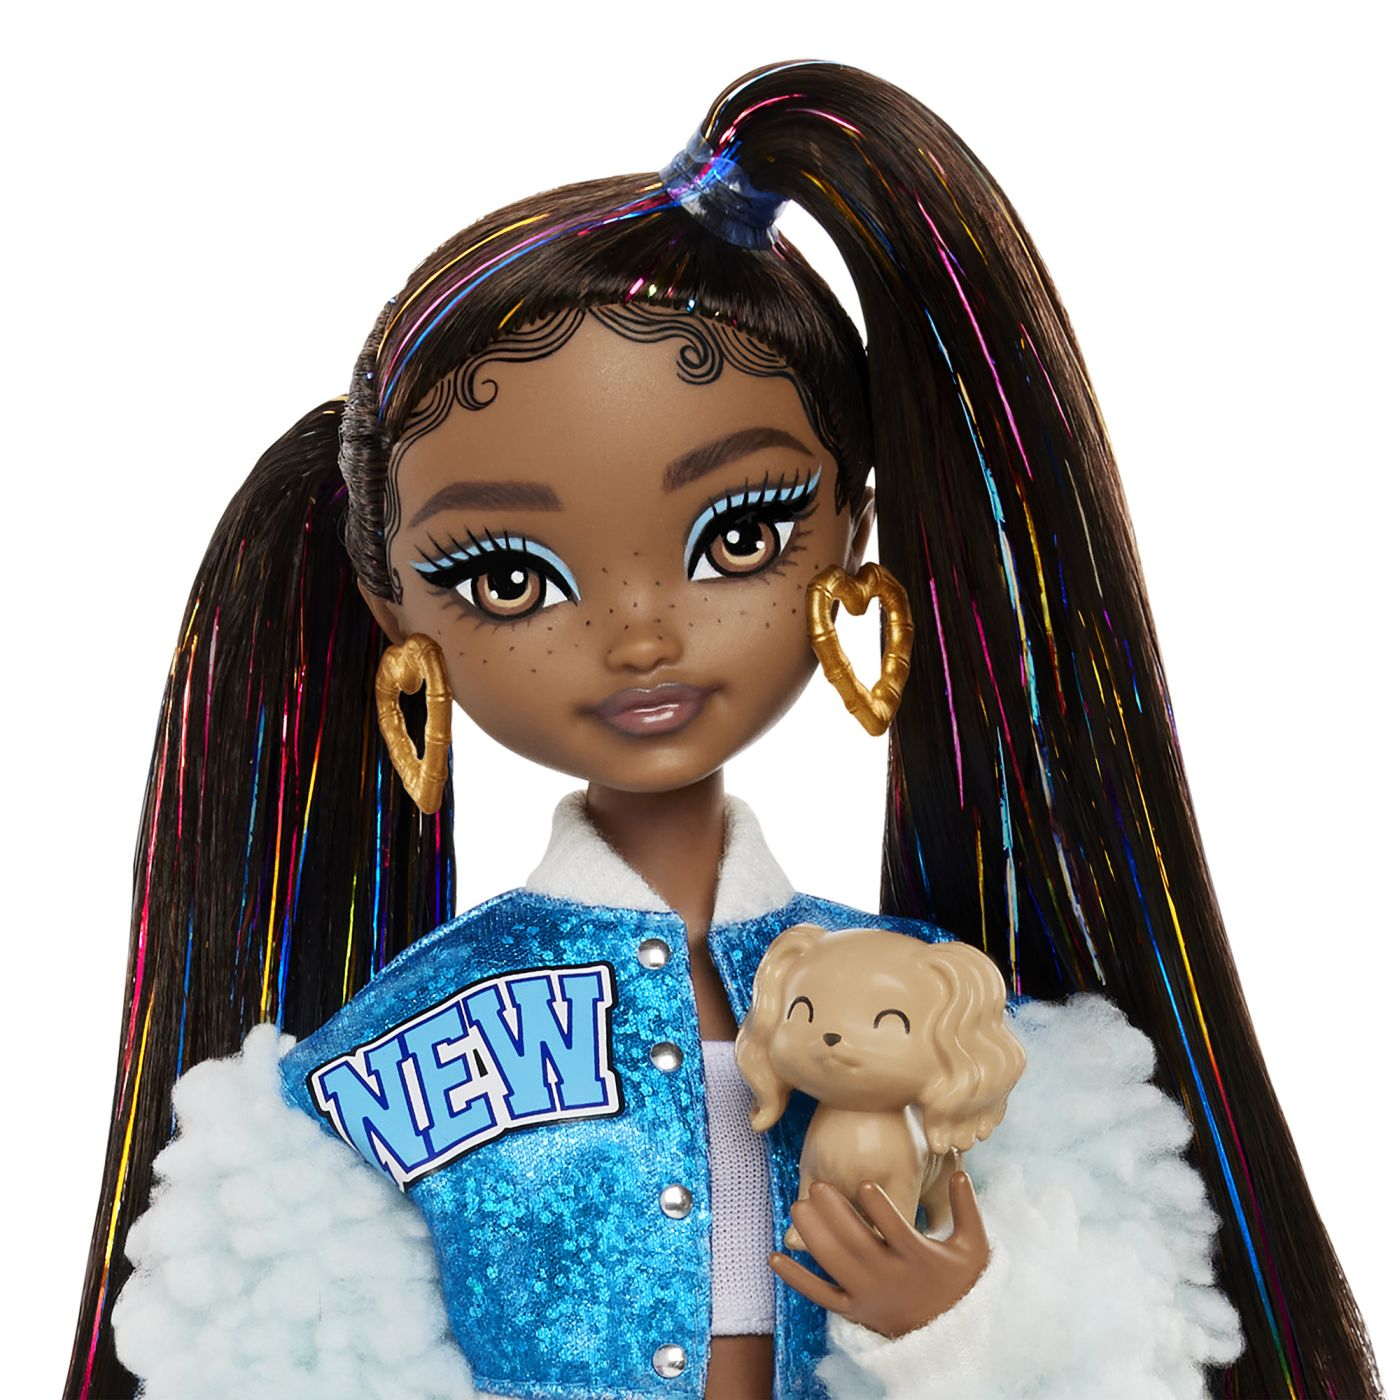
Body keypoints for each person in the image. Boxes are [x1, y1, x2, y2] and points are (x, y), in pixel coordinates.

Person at [67, 61, 1379, 1399]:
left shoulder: (944, 1009)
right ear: (393, 610)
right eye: (510, 577)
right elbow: (275, 1353)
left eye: (738, 536)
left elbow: (1121, 1354)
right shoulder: (393, 1051)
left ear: (853, 538)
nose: (639, 634)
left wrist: (962, 1328)